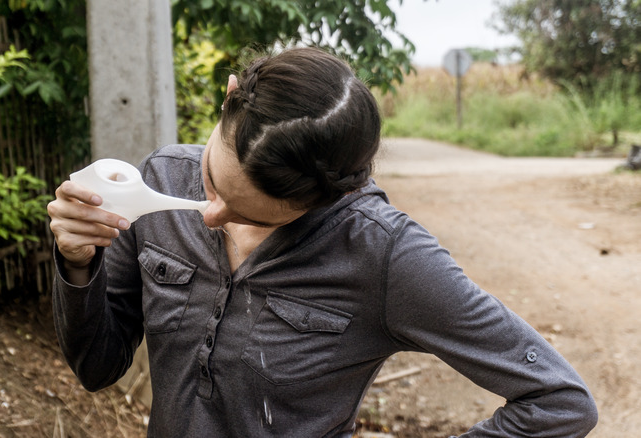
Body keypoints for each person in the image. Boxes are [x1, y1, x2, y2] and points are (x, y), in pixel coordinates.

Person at [47, 47, 598, 437]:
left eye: (249, 212)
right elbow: (96, 366)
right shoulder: (162, 180)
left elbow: (558, 401)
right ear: (230, 97)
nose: (212, 215)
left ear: (330, 196)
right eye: (213, 182)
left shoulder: (383, 254)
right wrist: (78, 263)